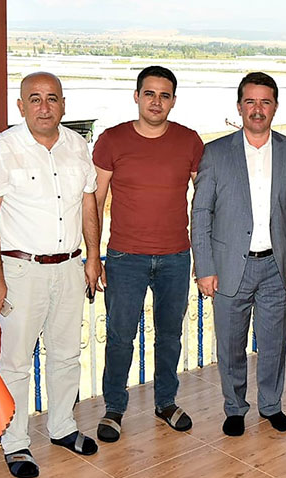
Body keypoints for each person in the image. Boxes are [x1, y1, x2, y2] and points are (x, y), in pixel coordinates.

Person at [0, 72, 102, 478]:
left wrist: (93, 258)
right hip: (20, 271)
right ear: (21, 106)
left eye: (52, 98)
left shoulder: (77, 145)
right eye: (35, 99)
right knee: (15, 362)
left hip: (70, 267)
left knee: (66, 354)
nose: (44, 107)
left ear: (63, 105)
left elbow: (88, 206)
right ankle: (15, 443)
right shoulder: (0, 150)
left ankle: (62, 427)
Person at [191, 72, 286, 437]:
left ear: (275, 106)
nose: (258, 109)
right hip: (229, 268)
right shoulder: (215, 152)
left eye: (265, 102)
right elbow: (201, 212)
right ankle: (235, 407)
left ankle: (271, 405)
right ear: (239, 106)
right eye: (250, 102)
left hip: (277, 266)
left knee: (274, 344)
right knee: (231, 345)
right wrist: (204, 267)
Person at [93, 66, 204, 442]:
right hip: (125, 258)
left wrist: (204, 256)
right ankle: (114, 408)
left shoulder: (189, 141)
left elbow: (204, 201)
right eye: (150, 94)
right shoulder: (111, 140)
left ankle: (166, 402)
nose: (157, 102)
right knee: (120, 335)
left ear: (173, 100)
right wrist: (93, 256)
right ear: (136, 96)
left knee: (170, 336)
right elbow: (95, 201)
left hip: (176, 257)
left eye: (164, 95)